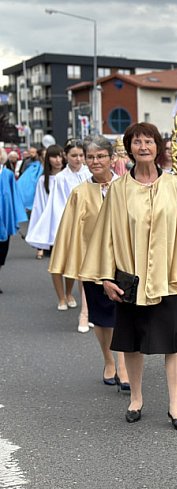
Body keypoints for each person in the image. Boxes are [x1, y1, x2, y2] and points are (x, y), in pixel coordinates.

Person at [80, 122, 177, 431]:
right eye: (137, 142)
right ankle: (136, 398)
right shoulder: (119, 189)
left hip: (168, 278)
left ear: (158, 147)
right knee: (131, 342)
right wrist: (106, 277)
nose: (143, 146)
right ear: (129, 148)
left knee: (174, 343)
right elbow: (105, 234)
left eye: (149, 141)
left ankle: (175, 405)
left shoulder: (174, 186)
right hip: (130, 279)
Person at [49, 135, 130, 388]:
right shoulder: (80, 193)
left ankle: (125, 366)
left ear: (111, 158)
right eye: (90, 157)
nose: (95, 161)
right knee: (102, 317)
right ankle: (108, 360)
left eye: (100, 156)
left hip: (124, 264)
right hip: (94, 264)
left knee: (125, 317)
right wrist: (73, 263)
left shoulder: (126, 187)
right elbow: (70, 231)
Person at [27, 139, 92, 314]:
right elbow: (56, 204)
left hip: (86, 224)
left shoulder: (89, 173)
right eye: (74, 155)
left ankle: (70, 293)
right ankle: (61, 296)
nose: (78, 159)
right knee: (59, 262)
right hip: (61, 223)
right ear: (66, 156)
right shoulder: (60, 178)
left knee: (76, 263)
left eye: (81, 155)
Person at [0, 149, 28, 294]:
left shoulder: (8, 175)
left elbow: (14, 196)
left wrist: (17, 216)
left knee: (2, 249)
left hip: (4, 216)